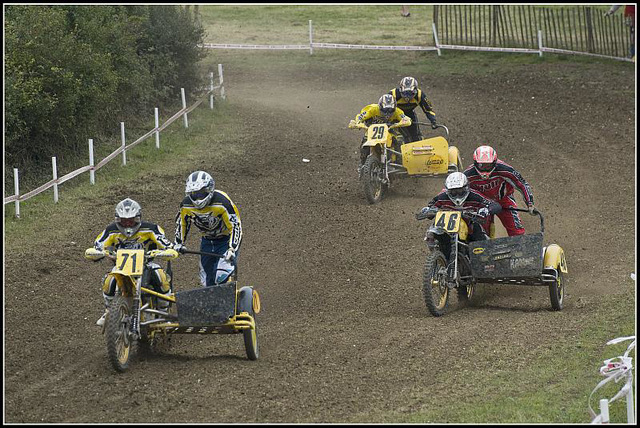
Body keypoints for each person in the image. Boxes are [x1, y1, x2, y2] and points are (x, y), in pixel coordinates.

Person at [92, 198, 174, 326]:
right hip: (121, 268)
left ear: (138, 218)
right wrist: (97, 253)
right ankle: (109, 310)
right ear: (118, 220)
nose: (128, 225)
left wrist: (167, 251)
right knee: (109, 280)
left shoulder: (151, 229)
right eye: (124, 222)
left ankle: (164, 311)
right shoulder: (111, 230)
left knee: (161, 276)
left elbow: (166, 244)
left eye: (131, 221)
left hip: (146, 264)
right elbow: (98, 245)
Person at [174, 170, 242, 287]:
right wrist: (178, 243)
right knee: (207, 281)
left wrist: (232, 248)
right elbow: (182, 224)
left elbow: (236, 226)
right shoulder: (186, 205)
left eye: (201, 193)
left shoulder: (223, 202)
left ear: (209, 189)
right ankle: (211, 304)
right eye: (194, 194)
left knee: (222, 276)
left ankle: (228, 300)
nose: (198, 198)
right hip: (207, 241)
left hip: (225, 241)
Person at [462, 145, 535, 237]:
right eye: (481, 165)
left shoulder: (505, 169)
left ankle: (521, 248)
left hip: (504, 200)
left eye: (488, 165)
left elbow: (522, 183)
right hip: (480, 204)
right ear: (475, 163)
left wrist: (530, 203)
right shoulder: (468, 175)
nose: (485, 168)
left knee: (516, 229)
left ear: (495, 162)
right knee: (479, 232)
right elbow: (458, 190)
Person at [417, 172, 502, 242]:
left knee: (480, 237)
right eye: (453, 192)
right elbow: (431, 205)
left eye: (460, 191)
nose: (457, 195)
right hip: (446, 227)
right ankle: (437, 253)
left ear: (466, 187)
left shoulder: (475, 196)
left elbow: (494, 205)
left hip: (470, 225)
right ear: (448, 191)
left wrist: (487, 210)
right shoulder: (442, 197)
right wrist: (428, 211)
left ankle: (483, 256)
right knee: (432, 232)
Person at [349, 93, 412, 168]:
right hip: (372, 131)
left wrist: (400, 123)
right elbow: (360, 116)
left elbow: (406, 119)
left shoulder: (398, 112)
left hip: (390, 131)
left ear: (394, 108)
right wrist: (358, 123)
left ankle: (400, 164)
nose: (387, 113)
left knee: (400, 140)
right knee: (364, 144)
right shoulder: (372, 109)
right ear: (380, 106)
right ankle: (363, 164)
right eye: (385, 110)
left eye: (390, 110)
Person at [388, 76, 438, 143]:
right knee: (401, 137)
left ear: (415, 90)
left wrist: (433, 121)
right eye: (405, 93)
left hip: (410, 114)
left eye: (410, 94)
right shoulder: (393, 94)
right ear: (400, 90)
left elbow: (428, 110)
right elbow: (384, 106)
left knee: (416, 136)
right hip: (395, 116)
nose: (407, 97)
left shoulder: (420, 95)